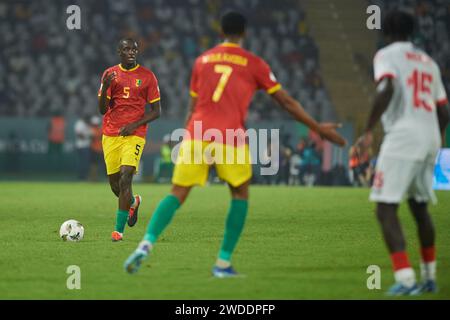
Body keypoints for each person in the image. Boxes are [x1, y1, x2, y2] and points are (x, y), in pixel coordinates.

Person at [124, 11, 345, 277]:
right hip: (230, 136)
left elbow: (193, 106)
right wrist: (318, 128)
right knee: (240, 194)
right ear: (245, 33)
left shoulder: (202, 61)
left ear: (221, 32)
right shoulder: (254, 63)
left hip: (198, 133)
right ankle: (223, 263)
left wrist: (185, 136)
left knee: (177, 193)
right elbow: (286, 102)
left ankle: (145, 244)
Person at [355, 11, 449, 295]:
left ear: (385, 31)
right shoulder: (429, 63)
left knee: (385, 207)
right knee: (419, 207)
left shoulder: (386, 55)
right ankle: (429, 276)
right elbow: (443, 110)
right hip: (430, 136)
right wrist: (435, 140)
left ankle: (406, 279)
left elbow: (387, 87)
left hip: (404, 137)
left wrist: (368, 129)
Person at [98, 38, 161, 241]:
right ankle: (133, 202)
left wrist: (134, 125)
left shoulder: (147, 76)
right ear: (119, 52)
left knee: (126, 177)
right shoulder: (110, 74)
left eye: (134, 49)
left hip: (135, 134)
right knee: (116, 186)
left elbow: (157, 111)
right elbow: (102, 110)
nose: (131, 52)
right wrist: (105, 87)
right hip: (111, 134)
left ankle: (118, 231)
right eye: (126, 49)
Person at [74, 114, 91, 180]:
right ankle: (81, 176)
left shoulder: (86, 124)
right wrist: (88, 136)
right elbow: (79, 134)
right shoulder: (80, 123)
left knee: (85, 162)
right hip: (81, 146)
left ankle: (84, 176)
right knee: (82, 162)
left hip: (86, 145)